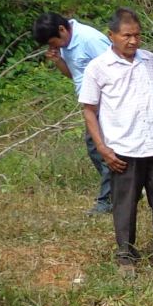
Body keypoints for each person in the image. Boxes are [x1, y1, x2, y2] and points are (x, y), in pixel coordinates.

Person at [80, 9, 153, 277]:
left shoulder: (150, 61)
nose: (134, 41)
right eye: (127, 35)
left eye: (137, 35)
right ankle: (125, 255)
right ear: (111, 35)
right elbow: (89, 110)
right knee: (124, 203)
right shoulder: (98, 68)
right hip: (123, 148)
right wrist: (102, 148)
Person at [33, 11, 116, 214]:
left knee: (103, 150)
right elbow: (75, 75)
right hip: (91, 105)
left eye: (54, 42)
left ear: (62, 29)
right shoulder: (67, 45)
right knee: (95, 149)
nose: (53, 47)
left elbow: (115, 70)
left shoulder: (89, 39)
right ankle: (123, 189)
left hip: (107, 103)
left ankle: (109, 200)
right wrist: (59, 60)